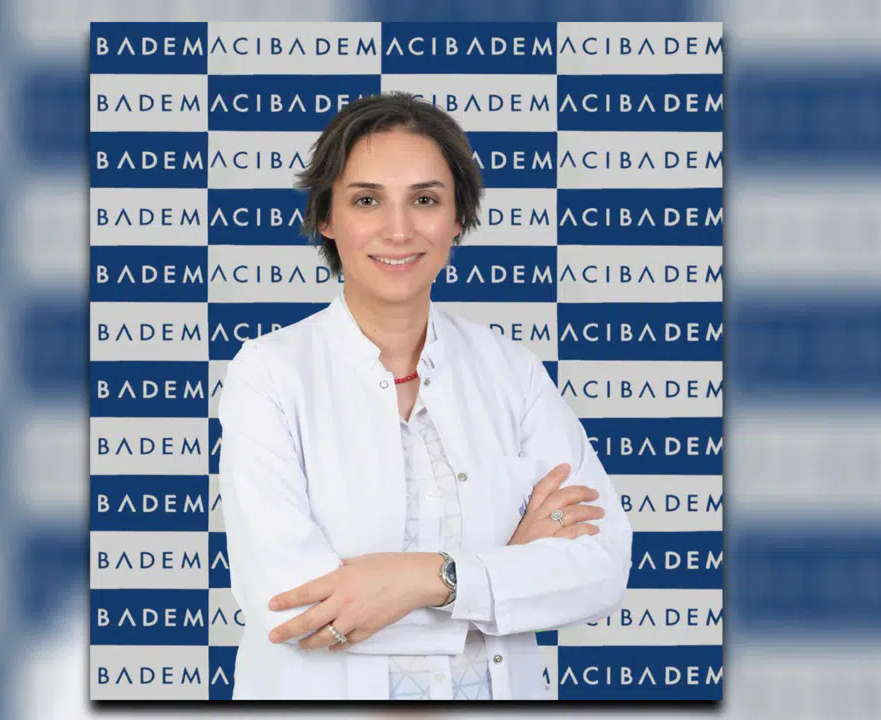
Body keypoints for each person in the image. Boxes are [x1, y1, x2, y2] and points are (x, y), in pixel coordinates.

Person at [218, 91, 633, 701]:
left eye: (425, 200)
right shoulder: (268, 375)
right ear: (326, 218)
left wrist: (426, 578)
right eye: (367, 200)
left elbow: (600, 566)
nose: (398, 230)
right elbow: (297, 608)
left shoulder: (512, 373)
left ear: (457, 217)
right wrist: (503, 574)